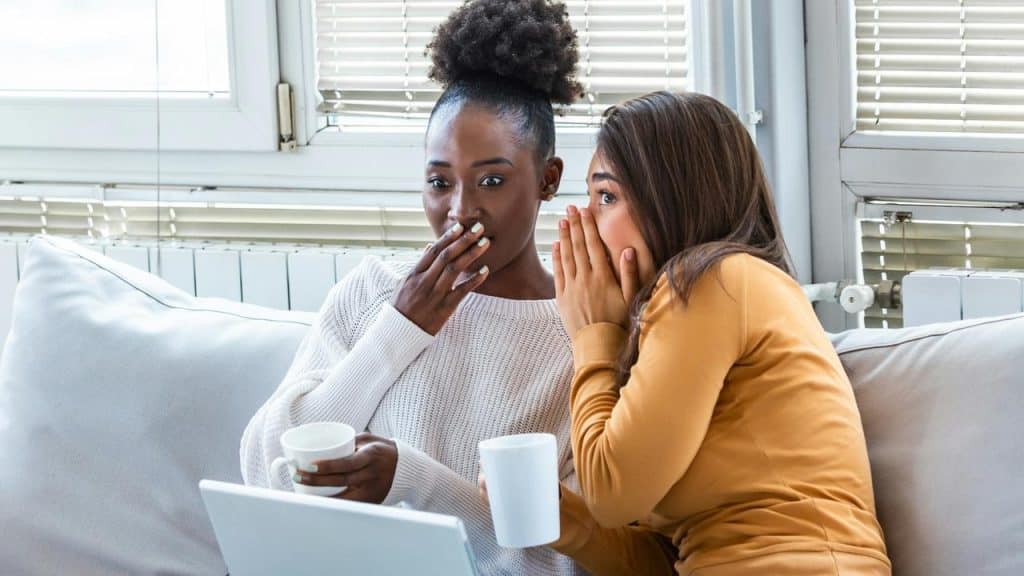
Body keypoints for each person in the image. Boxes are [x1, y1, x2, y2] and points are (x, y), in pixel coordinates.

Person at [240, 1, 589, 574]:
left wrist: (412, 482)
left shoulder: (579, 338)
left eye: (492, 181)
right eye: (438, 182)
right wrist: (398, 332)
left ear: (548, 179)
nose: (460, 212)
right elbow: (263, 468)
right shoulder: (373, 293)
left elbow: (558, 561)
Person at [547, 91, 891, 575]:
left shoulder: (711, 279)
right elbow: (678, 557)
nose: (584, 222)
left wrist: (593, 333)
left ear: (672, 197)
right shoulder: (698, 306)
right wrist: (565, 520)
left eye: (606, 196)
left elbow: (610, 493)